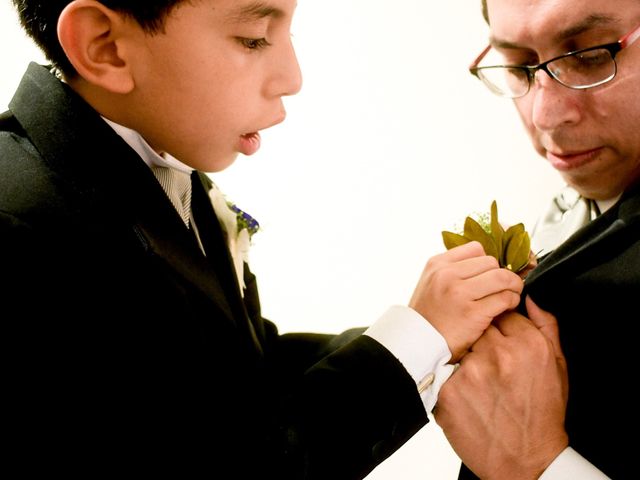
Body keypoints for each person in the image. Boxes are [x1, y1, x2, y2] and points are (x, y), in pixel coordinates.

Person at [0, 1, 526, 477]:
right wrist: (415, 339)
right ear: (105, 47)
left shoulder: (163, 163)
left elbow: (238, 378)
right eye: (253, 38)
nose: (292, 77)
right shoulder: (16, 228)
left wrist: (437, 337)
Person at [435, 0, 640, 478]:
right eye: (521, 66)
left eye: (591, 54)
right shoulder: (579, 202)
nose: (546, 115)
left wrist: (535, 464)